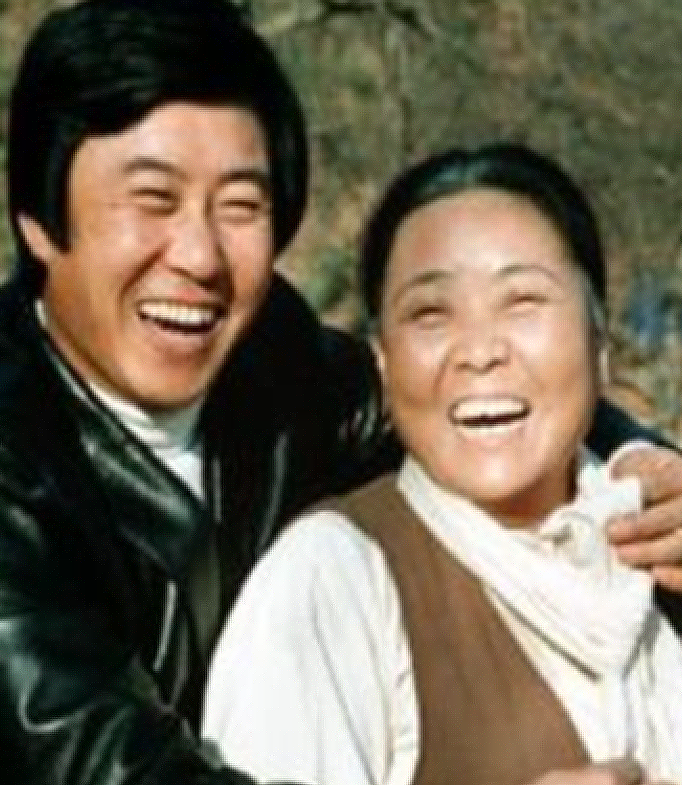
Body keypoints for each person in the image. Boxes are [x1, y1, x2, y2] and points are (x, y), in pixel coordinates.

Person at [0, 0, 678, 781]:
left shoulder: (267, 354)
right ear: (38, 219)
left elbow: (459, 400)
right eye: (153, 200)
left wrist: (640, 466)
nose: (199, 256)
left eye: (239, 205)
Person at [201, 144, 682, 785]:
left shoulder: (655, 540)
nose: (479, 352)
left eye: (522, 301)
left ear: (600, 341)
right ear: (383, 361)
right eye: (430, 314)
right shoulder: (332, 581)